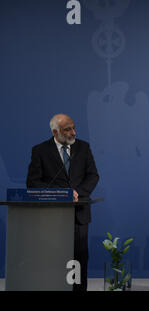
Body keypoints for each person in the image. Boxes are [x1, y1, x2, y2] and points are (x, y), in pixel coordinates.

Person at [26, 113, 99, 291]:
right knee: (53, 260)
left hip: (78, 215)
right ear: (55, 132)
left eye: (74, 127)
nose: (73, 132)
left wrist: (77, 193)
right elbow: (33, 182)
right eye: (67, 130)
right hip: (51, 216)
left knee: (79, 260)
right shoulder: (40, 151)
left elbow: (93, 176)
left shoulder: (83, 147)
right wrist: (61, 193)